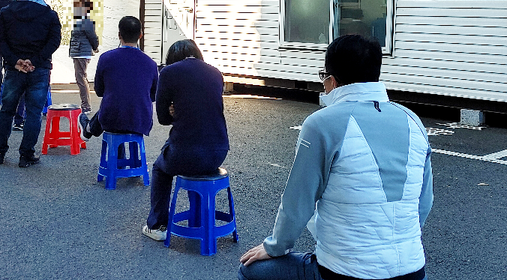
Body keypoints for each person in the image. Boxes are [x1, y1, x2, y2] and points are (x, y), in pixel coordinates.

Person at [239, 34, 433, 280]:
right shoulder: (413, 121)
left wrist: (274, 247)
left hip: (345, 273)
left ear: (331, 81)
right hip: (413, 271)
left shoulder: (321, 124)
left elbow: (297, 204)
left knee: (250, 270)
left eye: (323, 78)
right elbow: (424, 203)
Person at [142, 39, 229, 242]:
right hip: (218, 152)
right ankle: (199, 218)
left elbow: (163, 119)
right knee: (183, 152)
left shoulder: (168, 73)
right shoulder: (216, 73)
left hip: (186, 154)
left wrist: (175, 111)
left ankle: (156, 225)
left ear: (172, 59)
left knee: (160, 168)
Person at [0, 0, 61, 168]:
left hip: (14, 69)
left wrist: (15, 61)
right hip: (39, 69)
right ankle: (26, 154)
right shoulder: (50, 15)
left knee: (7, 110)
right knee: (33, 113)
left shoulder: (7, 12)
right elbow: (54, 41)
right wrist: (35, 61)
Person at [77, 16, 158, 142]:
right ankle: (90, 129)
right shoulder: (151, 64)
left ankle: (90, 129)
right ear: (140, 35)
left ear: (119, 35)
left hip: (111, 120)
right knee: (123, 103)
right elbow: (153, 95)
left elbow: (99, 91)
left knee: (113, 103)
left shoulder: (106, 58)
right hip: (141, 121)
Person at [69, 0, 99, 113]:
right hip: (79, 52)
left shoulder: (86, 20)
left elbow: (93, 37)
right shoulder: (81, 20)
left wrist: (95, 47)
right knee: (81, 78)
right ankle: (85, 104)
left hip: (82, 52)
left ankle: (86, 105)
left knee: (81, 78)